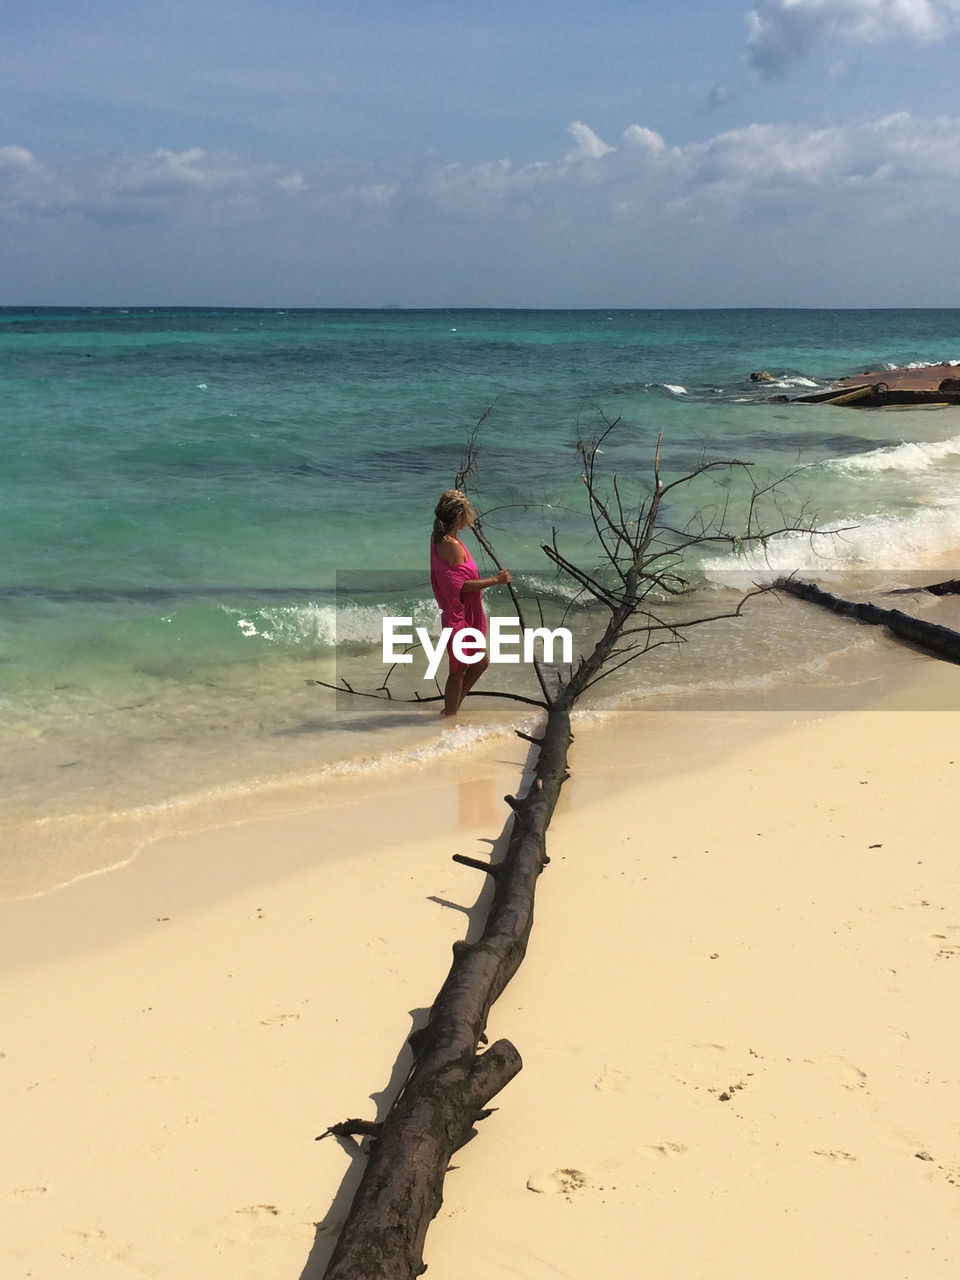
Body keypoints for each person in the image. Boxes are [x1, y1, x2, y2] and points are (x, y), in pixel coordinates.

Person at [429, 489, 511, 716]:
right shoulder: (451, 545)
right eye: (467, 513)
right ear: (458, 517)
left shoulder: (441, 537)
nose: (470, 517)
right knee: (459, 669)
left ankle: (450, 710)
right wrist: (496, 580)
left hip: (464, 613)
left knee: (476, 664)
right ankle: (449, 714)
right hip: (459, 615)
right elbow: (459, 587)